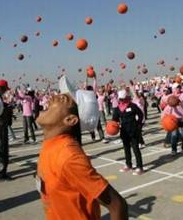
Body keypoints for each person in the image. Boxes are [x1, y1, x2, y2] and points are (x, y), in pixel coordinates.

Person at [36, 92, 128, 220]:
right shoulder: (51, 144)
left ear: (70, 120)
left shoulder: (69, 157)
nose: (53, 96)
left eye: (64, 99)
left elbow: (117, 205)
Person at [112, 89, 144, 175]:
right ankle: (128, 165)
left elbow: (140, 114)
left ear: (126, 97)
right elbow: (114, 119)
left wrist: (139, 124)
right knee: (126, 149)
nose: (121, 100)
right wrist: (114, 126)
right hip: (124, 132)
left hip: (133, 130)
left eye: (123, 98)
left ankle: (139, 167)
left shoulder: (132, 105)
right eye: (120, 99)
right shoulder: (117, 108)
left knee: (135, 149)